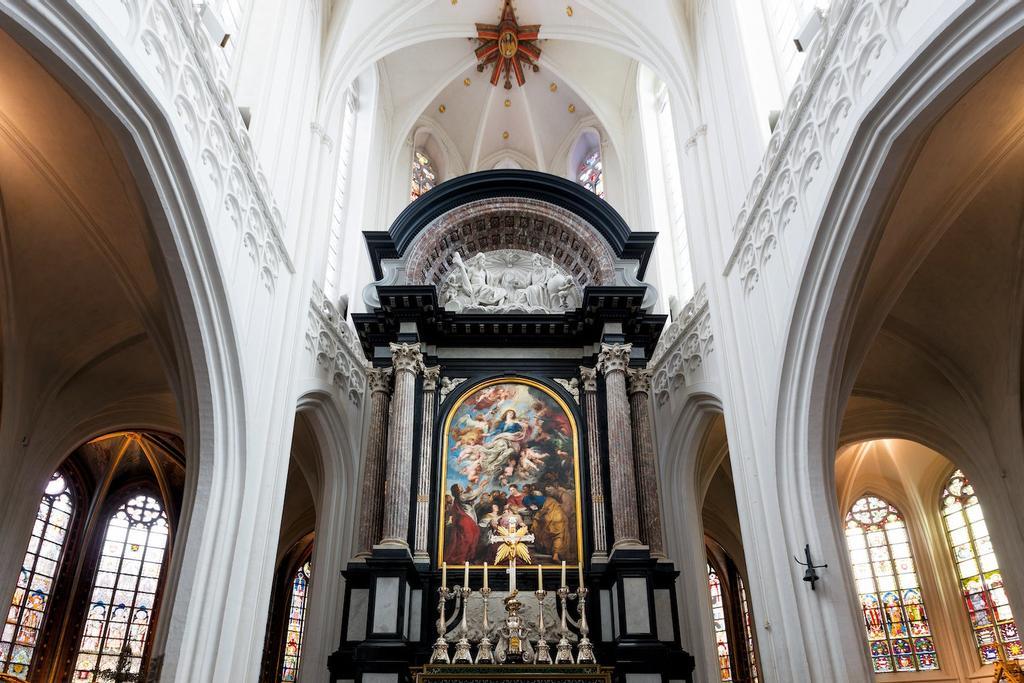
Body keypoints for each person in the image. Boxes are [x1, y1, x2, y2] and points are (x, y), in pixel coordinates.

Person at [445, 483, 483, 564]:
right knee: (467, 539)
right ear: (456, 490)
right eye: (459, 486)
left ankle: (466, 558)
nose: (461, 486)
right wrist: (481, 486)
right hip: (466, 521)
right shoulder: (461, 496)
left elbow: (473, 496)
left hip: (468, 520)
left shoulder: (462, 496)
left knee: (469, 538)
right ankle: (461, 558)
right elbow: (473, 494)